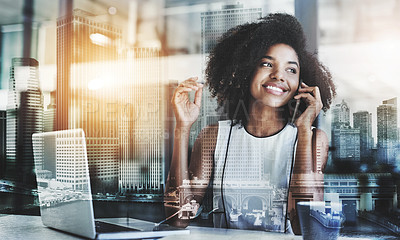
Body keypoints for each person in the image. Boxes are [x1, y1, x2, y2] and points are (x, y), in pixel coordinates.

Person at [164, 13, 336, 235]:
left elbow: (304, 227)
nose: (279, 75)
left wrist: (304, 132)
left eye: (291, 69)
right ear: (246, 69)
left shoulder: (313, 140)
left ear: (301, 84)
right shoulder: (213, 138)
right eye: (267, 63)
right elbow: (178, 218)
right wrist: (182, 127)